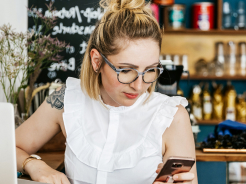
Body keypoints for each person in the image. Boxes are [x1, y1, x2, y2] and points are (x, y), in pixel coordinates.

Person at [15, 0, 198, 183]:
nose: (139, 86)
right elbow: (8, 147)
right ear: (96, 61)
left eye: (150, 70)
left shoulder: (172, 116)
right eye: (126, 70)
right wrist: (34, 165)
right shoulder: (67, 99)